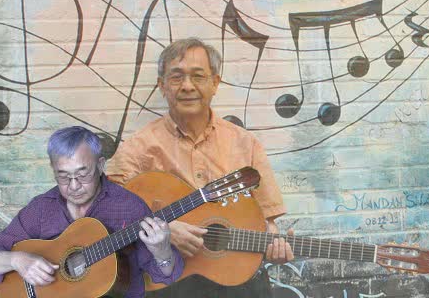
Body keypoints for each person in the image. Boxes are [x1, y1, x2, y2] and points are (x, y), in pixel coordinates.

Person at [106, 37, 293, 297]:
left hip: (236, 282)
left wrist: (274, 244)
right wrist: (165, 230)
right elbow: (105, 214)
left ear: (215, 83)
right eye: (176, 77)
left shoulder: (245, 144)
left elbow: (267, 221)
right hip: (167, 283)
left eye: (198, 76)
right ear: (162, 86)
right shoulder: (138, 149)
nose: (187, 86)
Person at [0, 126, 184, 298]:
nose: (73, 186)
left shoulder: (129, 207)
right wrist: (17, 260)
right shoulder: (42, 208)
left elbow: (166, 275)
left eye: (82, 174)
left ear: (100, 165)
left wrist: (162, 251)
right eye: (63, 176)